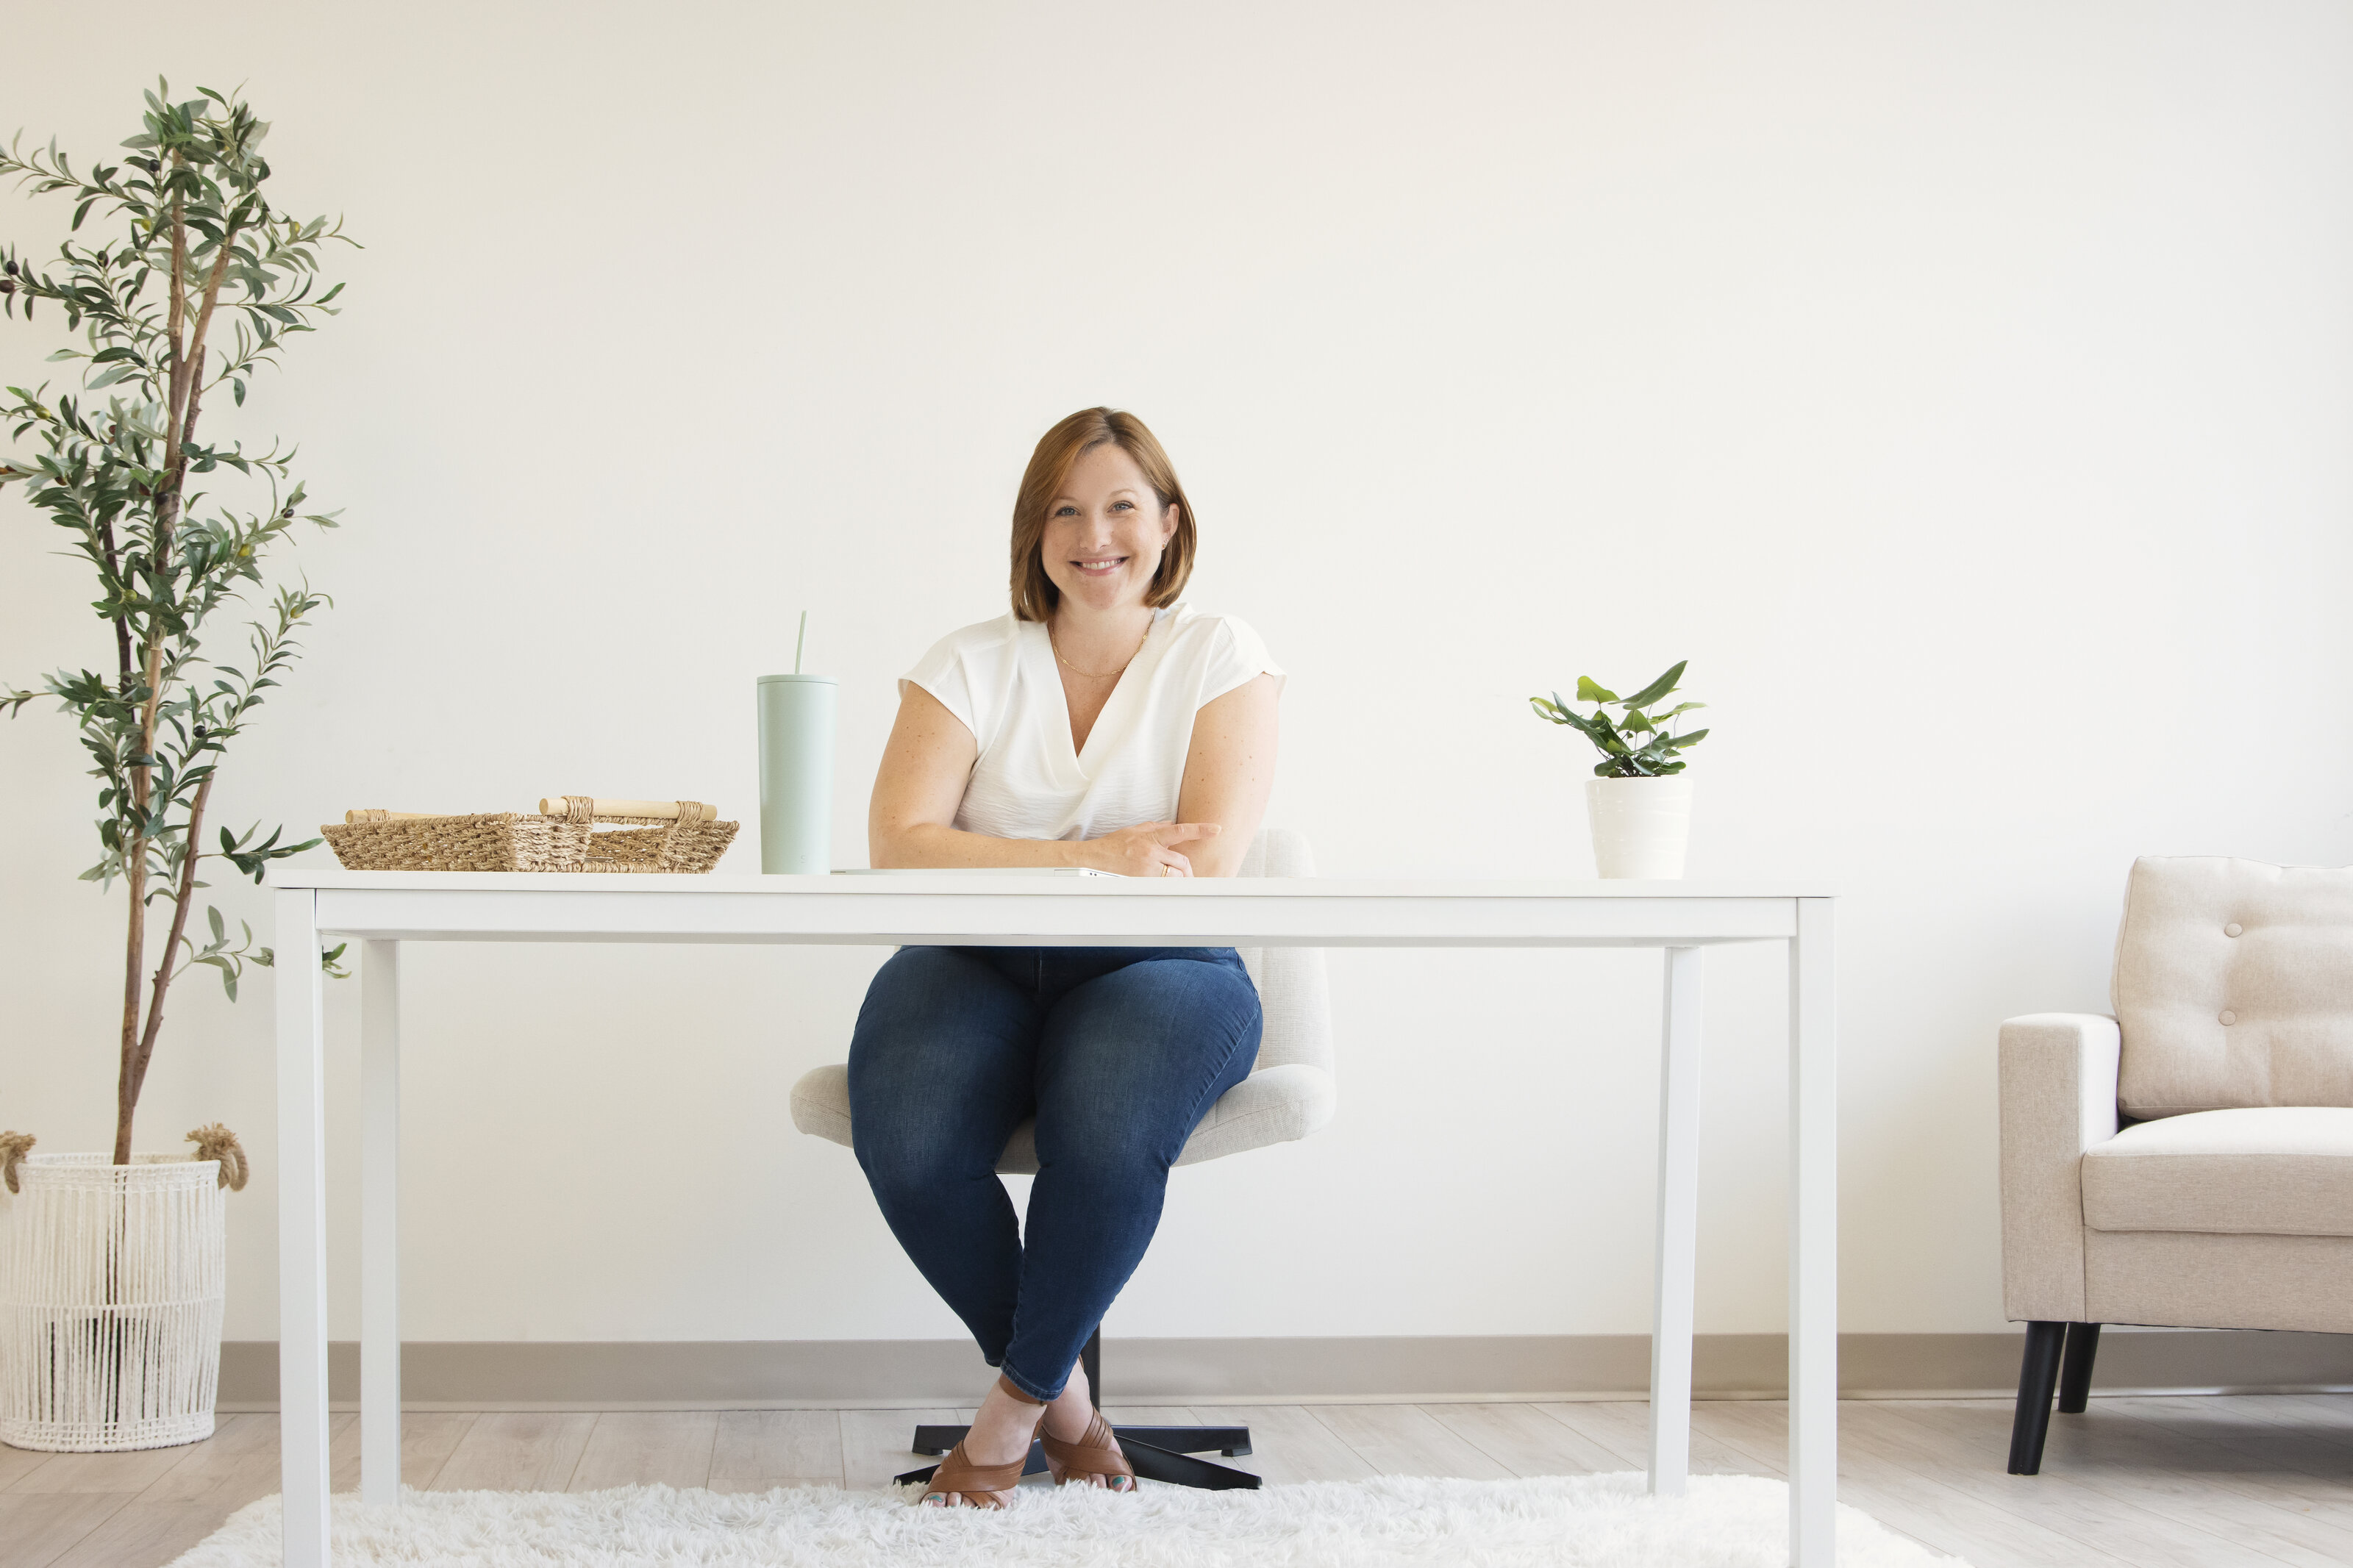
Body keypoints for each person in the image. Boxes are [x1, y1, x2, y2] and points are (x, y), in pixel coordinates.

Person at [853, 407, 1282, 1506]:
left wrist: (1006, 859)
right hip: (978, 959)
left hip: (1164, 964)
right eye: (1066, 510)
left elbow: (1212, 857)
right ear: (1034, 533)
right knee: (905, 1139)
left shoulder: (1218, 652)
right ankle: (1072, 1412)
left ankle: (1005, 1421)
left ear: (1169, 523)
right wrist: (1095, 858)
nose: (1097, 535)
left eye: (1123, 507)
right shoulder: (967, 662)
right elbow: (900, 847)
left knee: (1104, 1127)